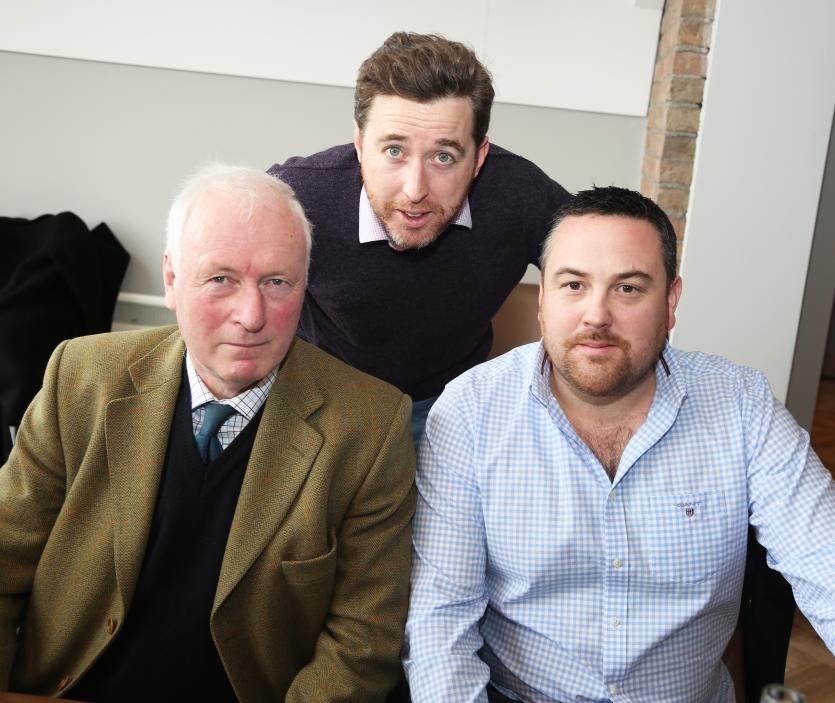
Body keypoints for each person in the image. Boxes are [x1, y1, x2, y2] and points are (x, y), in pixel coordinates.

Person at [0, 164, 415, 703]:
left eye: (277, 282)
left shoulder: (369, 427)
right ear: (172, 281)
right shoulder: (81, 378)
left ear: (305, 285)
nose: (251, 315)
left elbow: (363, 641)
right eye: (221, 279)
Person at [403, 186, 835, 702]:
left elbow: (824, 561)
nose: (596, 315)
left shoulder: (742, 406)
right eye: (573, 285)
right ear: (542, 300)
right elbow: (439, 628)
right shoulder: (470, 412)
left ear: (670, 302)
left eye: (628, 288)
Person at [268, 31, 571, 444]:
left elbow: (608, 261)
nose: (415, 190)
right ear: (359, 144)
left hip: (449, 406)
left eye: (443, 157)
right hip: (320, 399)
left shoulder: (521, 194)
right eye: (394, 151)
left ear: (479, 157)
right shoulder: (295, 195)